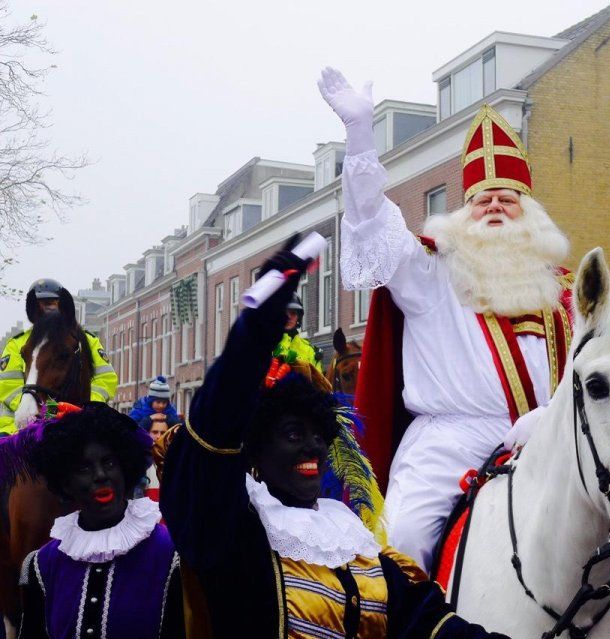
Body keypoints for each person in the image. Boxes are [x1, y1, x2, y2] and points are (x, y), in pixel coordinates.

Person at [160, 240, 510, 638]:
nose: (312, 446)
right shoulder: (233, 535)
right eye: (293, 434)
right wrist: (255, 332)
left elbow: (429, 624)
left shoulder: (354, 542)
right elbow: (214, 428)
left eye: (318, 435)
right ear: (256, 450)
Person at [319, 68, 574, 571]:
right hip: (449, 442)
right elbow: (372, 224)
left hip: (548, 434)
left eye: (508, 200)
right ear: (464, 211)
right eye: (483, 201)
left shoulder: (563, 291)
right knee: (405, 539)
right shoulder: (431, 270)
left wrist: (552, 416)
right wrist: (361, 138)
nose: (496, 209)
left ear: (530, 212)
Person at [0, 402, 183, 638]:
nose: (100, 475)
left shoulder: (170, 555)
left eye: (109, 463)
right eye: (85, 468)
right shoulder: (43, 565)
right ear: (66, 483)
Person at [0, 279, 117, 434]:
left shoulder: (87, 340)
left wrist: (85, 408)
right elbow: (8, 385)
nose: (46, 307)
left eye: (51, 302)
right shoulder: (17, 343)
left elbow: (105, 379)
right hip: (19, 427)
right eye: (40, 303)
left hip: (80, 419)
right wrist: (44, 410)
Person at [277, 292, 318, 366]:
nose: (288, 317)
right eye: (283, 313)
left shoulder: (309, 351)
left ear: (298, 318)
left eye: (293, 313)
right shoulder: (264, 346)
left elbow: (317, 377)